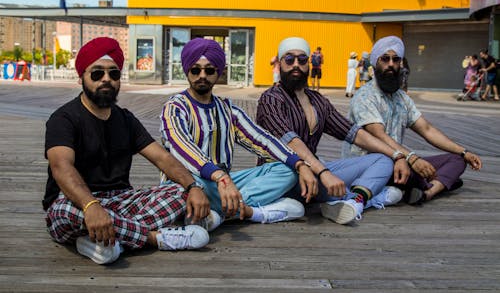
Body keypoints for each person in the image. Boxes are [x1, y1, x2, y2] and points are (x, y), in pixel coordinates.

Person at [44, 37, 210, 265]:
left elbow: (162, 158)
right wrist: (91, 206)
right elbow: (61, 167)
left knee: (178, 193)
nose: (106, 80)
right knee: (62, 209)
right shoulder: (64, 119)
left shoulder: (126, 119)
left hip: (121, 200)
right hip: (76, 202)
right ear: (81, 77)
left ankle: (104, 240)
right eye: (96, 74)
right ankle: (155, 238)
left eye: (113, 74)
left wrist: (193, 187)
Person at [159, 38, 315, 230]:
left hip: (224, 183)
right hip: (192, 183)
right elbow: (182, 147)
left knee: (287, 170)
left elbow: (262, 140)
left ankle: (219, 215)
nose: (202, 75)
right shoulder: (175, 108)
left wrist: (300, 164)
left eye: (209, 70)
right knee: (183, 188)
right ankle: (247, 211)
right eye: (195, 70)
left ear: (218, 72)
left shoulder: (228, 110)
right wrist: (220, 177)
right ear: (186, 71)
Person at [256, 37, 410, 226]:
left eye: (302, 60)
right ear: (279, 64)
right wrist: (323, 173)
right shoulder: (271, 99)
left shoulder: (317, 100)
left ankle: (355, 201)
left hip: (316, 172)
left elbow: (354, 133)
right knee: (307, 173)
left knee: (382, 159)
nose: (296, 64)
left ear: (309, 64)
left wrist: (398, 155)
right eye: (289, 59)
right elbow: (290, 142)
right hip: (282, 176)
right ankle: (365, 198)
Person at [342, 36, 483, 204]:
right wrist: (412, 159)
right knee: (409, 169)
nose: (391, 64)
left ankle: (427, 192)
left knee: (456, 160)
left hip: (402, 161)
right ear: (375, 63)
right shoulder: (364, 97)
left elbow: (427, 129)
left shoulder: (402, 98)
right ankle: (436, 184)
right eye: (385, 59)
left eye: (396, 60)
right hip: (373, 166)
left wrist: (464, 152)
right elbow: (378, 135)